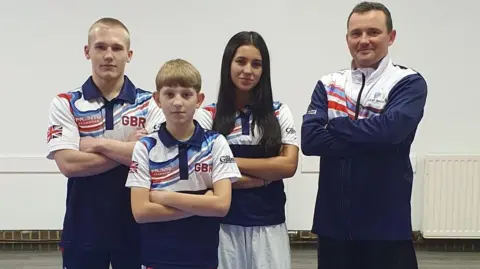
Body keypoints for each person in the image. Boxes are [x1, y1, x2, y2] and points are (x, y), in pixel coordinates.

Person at [301, 2, 428, 269]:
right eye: (356, 33)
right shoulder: (329, 84)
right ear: (347, 38)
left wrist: (337, 126)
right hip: (333, 223)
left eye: (373, 32)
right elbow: (310, 141)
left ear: (391, 37)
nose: (364, 40)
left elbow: (390, 133)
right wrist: (375, 139)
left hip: (386, 224)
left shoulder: (408, 82)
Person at [46, 17, 165, 269]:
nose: (108, 55)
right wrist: (130, 150)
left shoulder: (150, 103)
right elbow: (68, 164)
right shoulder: (65, 102)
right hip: (83, 229)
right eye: (100, 47)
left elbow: (156, 159)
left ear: (129, 54)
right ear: (87, 52)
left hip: (137, 227)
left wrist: (94, 144)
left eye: (117, 48)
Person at [195, 31, 299, 269]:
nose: (248, 70)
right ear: (228, 64)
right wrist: (263, 178)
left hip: (269, 225)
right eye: (240, 61)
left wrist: (227, 163)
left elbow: (288, 166)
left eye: (256, 64)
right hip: (223, 227)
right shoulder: (206, 116)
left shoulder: (279, 112)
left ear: (265, 70)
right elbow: (202, 173)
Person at [126, 58, 241, 269]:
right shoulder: (146, 147)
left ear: (199, 99)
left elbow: (222, 206)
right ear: (157, 99)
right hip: (156, 259)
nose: (177, 102)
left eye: (186, 94)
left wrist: (163, 197)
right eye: (169, 94)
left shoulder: (216, 143)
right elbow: (141, 212)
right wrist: (202, 204)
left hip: (203, 259)